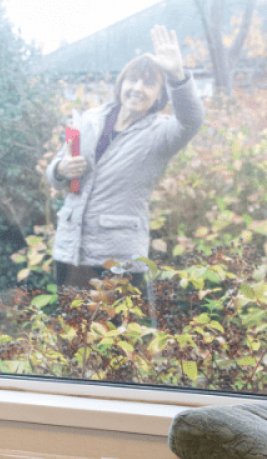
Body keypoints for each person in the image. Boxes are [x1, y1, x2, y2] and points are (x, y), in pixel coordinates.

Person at [46, 25, 204, 289]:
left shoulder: (161, 133)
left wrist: (177, 75)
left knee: (113, 329)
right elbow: (55, 174)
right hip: (70, 251)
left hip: (117, 259)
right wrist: (60, 170)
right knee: (69, 327)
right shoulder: (89, 119)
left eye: (149, 83)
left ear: (159, 95)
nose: (138, 88)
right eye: (133, 80)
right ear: (121, 83)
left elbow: (192, 121)